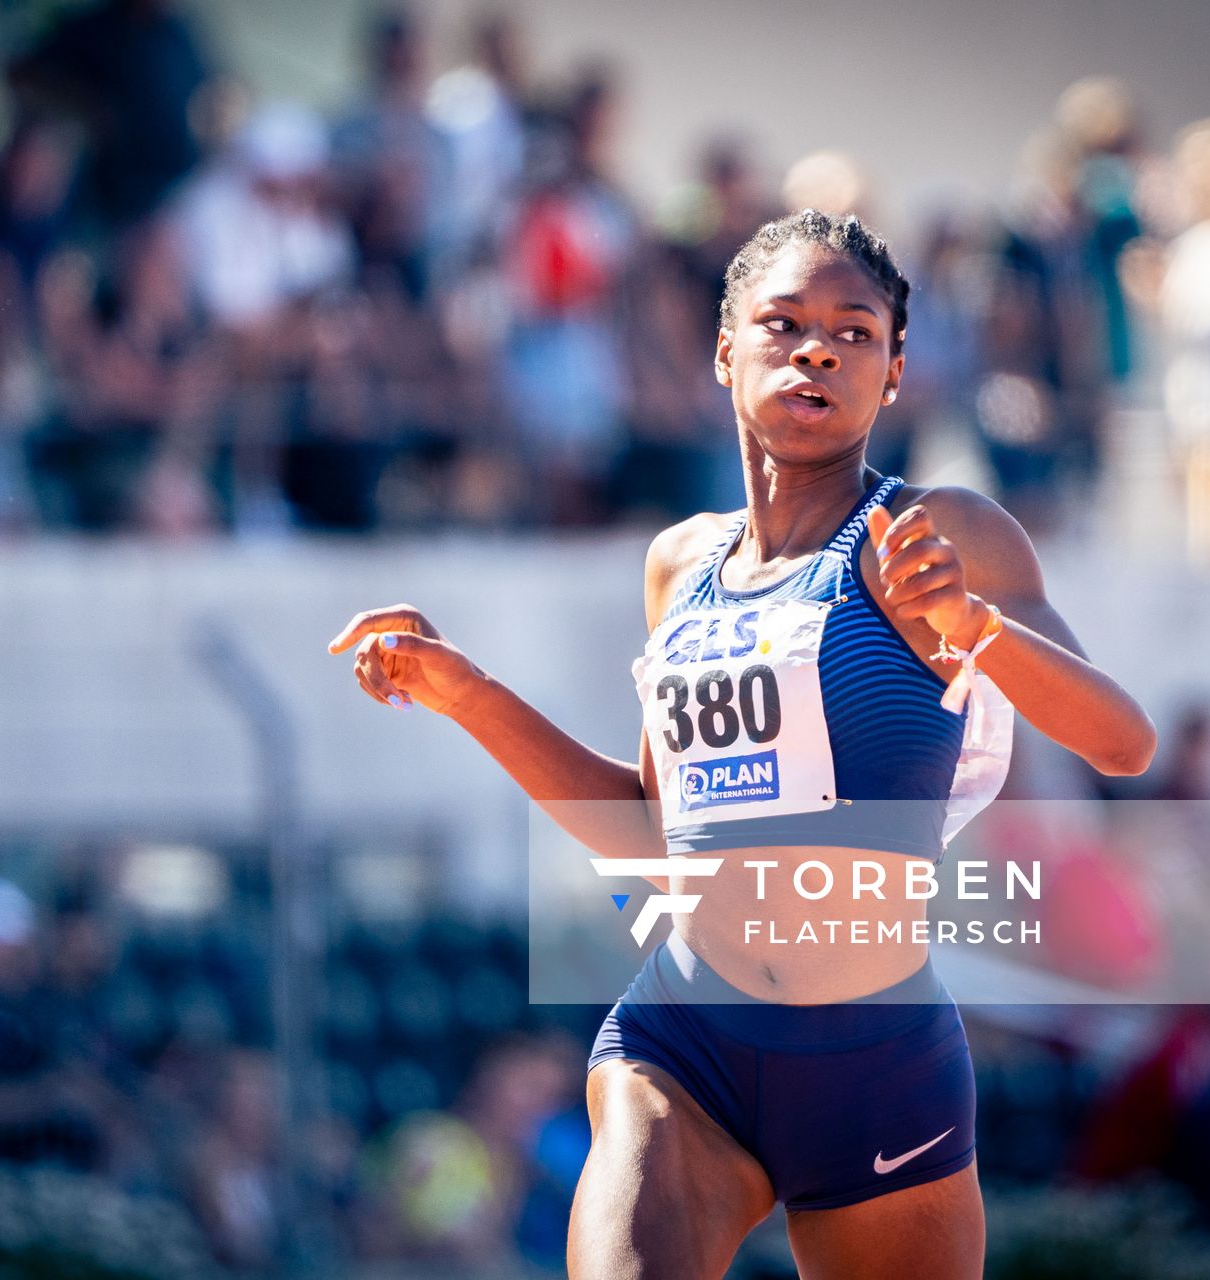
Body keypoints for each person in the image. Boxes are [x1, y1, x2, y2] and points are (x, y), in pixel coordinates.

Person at [328, 209, 1156, 1277]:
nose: (818, 349)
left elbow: (1123, 742)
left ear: (896, 371)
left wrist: (975, 632)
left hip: (874, 1059)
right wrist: (469, 694)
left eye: (855, 332)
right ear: (725, 351)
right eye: (784, 323)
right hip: (687, 1046)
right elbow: (647, 834)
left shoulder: (941, 533)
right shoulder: (680, 564)